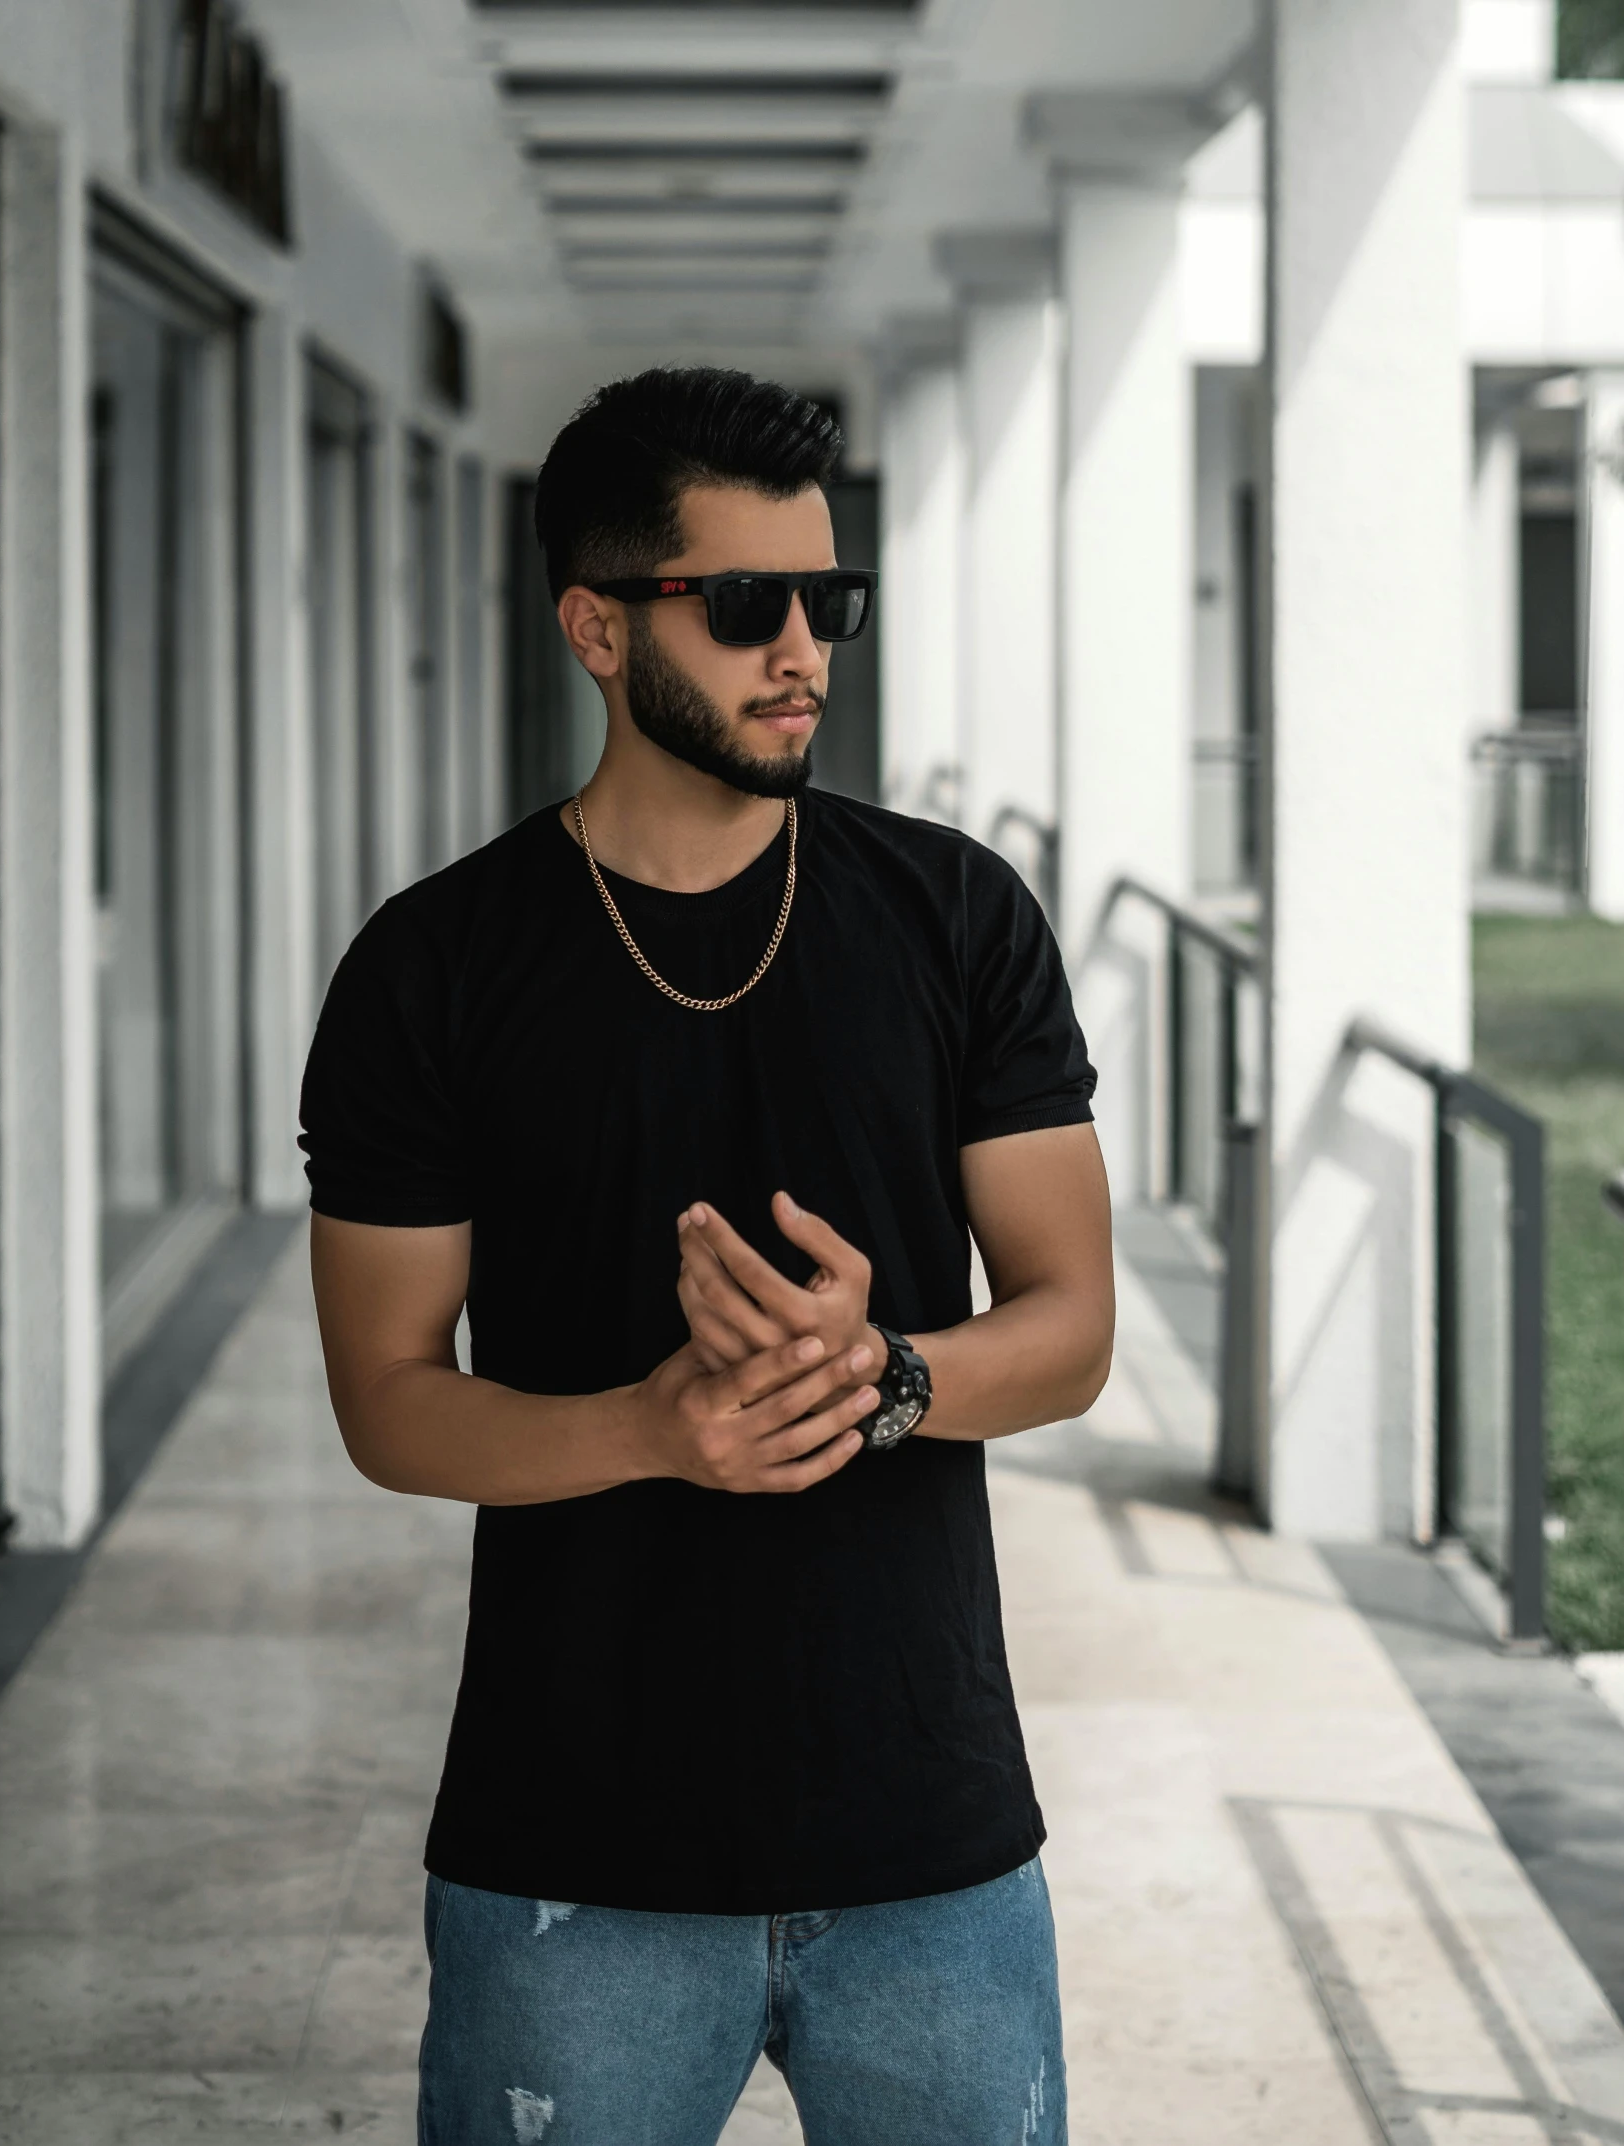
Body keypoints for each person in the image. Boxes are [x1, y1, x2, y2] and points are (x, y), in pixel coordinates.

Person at [299, 366, 1114, 2146]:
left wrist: (885, 1372)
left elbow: (1069, 1327)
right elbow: (385, 1399)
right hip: (570, 1852)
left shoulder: (958, 916)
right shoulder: (431, 970)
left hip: (933, 1840)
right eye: (747, 605)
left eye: (833, 600)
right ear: (599, 624)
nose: (805, 647)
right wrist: (655, 1429)